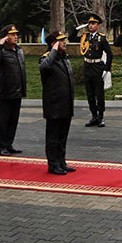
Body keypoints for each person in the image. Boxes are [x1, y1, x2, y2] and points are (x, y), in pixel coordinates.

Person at [39, 30, 76, 175]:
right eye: (61, 41)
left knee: (62, 136)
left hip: (65, 103)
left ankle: (61, 161)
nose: (64, 43)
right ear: (53, 44)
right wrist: (53, 50)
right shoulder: (47, 58)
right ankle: (53, 164)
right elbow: (44, 67)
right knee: (53, 137)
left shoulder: (64, 58)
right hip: (54, 104)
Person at [0, 24, 26, 155]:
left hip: (18, 91)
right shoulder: (2, 52)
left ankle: (9, 144)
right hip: (6, 91)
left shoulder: (19, 50)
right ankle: (2, 146)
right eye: (12, 34)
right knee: (4, 121)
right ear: (5, 37)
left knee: (13, 120)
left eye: (16, 34)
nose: (16, 37)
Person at [77, 12, 112, 127]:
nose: (91, 26)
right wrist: (77, 28)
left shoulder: (101, 38)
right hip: (87, 66)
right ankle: (94, 116)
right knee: (90, 94)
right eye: (89, 23)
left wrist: (106, 69)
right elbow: (72, 38)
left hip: (97, 67)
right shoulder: (85, 37)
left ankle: (101, 116)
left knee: (99, 94)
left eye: (93, 23)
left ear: (98, 25)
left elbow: (109, 54)